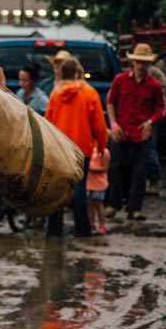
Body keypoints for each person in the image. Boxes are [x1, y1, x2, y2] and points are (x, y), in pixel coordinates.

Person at [43, 58, 108, 237]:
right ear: (79, 72)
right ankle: (82, 229)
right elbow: (100, 126)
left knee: (58, 189)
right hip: (81, 149)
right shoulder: (89, 93)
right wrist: (101, 147)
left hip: (59, 149)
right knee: (79, 190)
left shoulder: (55, 94)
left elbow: (48, 123)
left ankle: (54, 228)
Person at [105, 43, 166, 220]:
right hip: (122, 131)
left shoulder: (155, 86)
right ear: (133, 63)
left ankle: (135, 208)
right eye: (138, 62)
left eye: (144, 63)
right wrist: (114, 124)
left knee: (140, 171)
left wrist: (151, 122)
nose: (140, 66)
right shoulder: (120, 80)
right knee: (116, 168)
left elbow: (161, 108)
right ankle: (114, 204)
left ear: (149, 65)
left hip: (141, 134)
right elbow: (110, 102)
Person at [144, 61, 166, 196]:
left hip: (150, 119)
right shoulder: (128, 78)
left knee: (150, 148)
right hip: (141, 118)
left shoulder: (155, 74)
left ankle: (154, 182)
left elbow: (162, 99)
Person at [87, 144, 110, 234]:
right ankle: (91, 224)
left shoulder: (104, 152)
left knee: (99, 204)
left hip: (99, 184)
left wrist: (90, 169)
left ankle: (102, 225)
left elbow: (105, 168)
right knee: (90, 204)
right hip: (89, 184)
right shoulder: (89, 149)